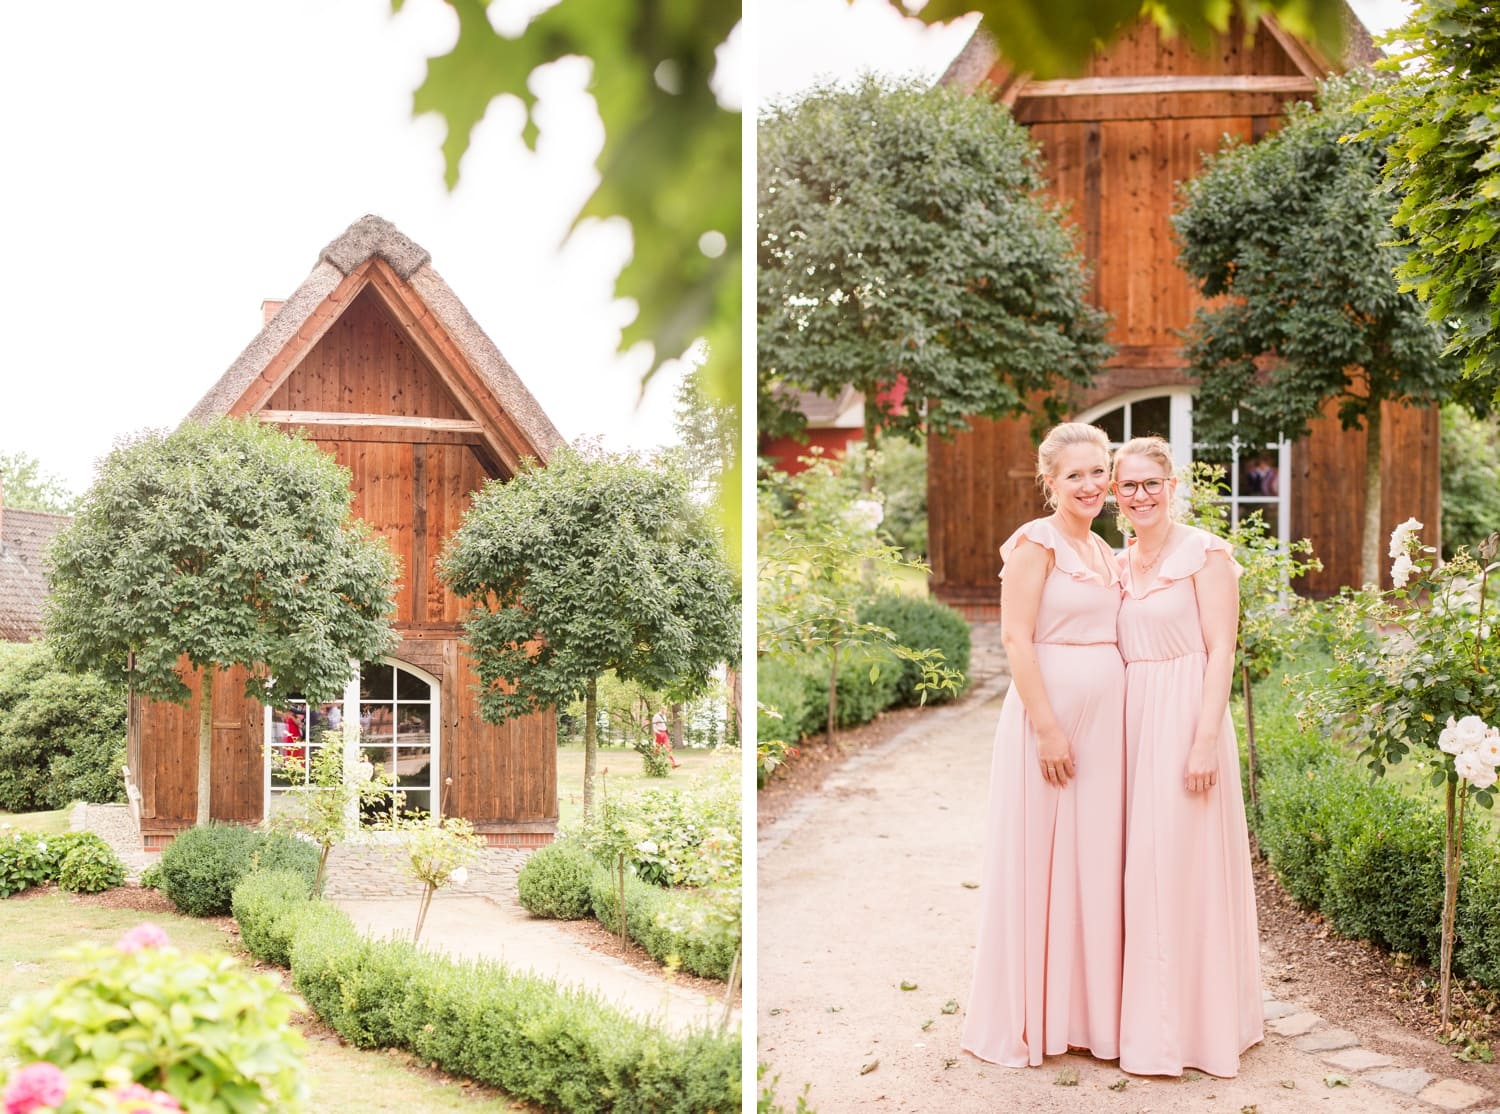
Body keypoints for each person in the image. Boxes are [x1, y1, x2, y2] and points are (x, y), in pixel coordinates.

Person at [962, 422, 1126, 1068]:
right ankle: (1033, 1015)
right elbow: (1014, 640)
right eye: (1075, 474)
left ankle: (1083, 1016)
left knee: (1092, 865)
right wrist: (1048, 726)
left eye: (1098, 472)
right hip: (1048, 726)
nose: (1090, 485)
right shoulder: (1037, 544)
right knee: (1042, 864)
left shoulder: (1107, 552)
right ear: (1050, 481)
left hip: (1106, 736)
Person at [1111, 436, 1263, 1078]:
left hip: (1187, 719)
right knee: (1139, 867)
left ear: (1172, 488)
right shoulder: (1116, 564)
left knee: (1184, 864)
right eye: (1129, 485)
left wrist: (1204, 738)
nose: (1140, 495)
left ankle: (1198, 1027)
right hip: (1130, 722)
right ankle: (1143, 1018)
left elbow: (1222, 650)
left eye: (1151, 483)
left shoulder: (1206, 554)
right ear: (1116, 497)